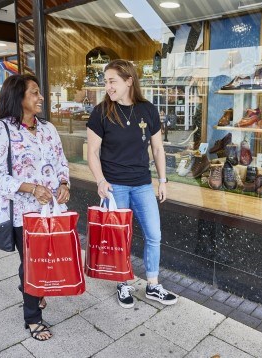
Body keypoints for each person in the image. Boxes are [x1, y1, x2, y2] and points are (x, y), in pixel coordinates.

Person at [0, 74, 70, 341]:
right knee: (33, 263)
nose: (41, 97)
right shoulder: (1, 130)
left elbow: (61, 161)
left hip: (53, 211)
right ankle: (32, 318)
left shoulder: (47, 128)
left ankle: (32, 289)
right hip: (23, 214)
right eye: (34, 93)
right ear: (18, 97)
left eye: (39, 92)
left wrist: (65, 182)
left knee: (49, 259)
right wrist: (31, 188)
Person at [86, 59, 178, 309]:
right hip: (115, 187)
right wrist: (100, 180)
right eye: (105, 82)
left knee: (154, 235)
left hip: (142, 184)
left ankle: (152, 285)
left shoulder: (147, 110)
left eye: (112, 81)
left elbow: (158, 149)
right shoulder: (101, 112)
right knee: (119, 239)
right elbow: (92, 153)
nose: (108, 87)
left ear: (129, 81)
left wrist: (162, 180)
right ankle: (122, 283)